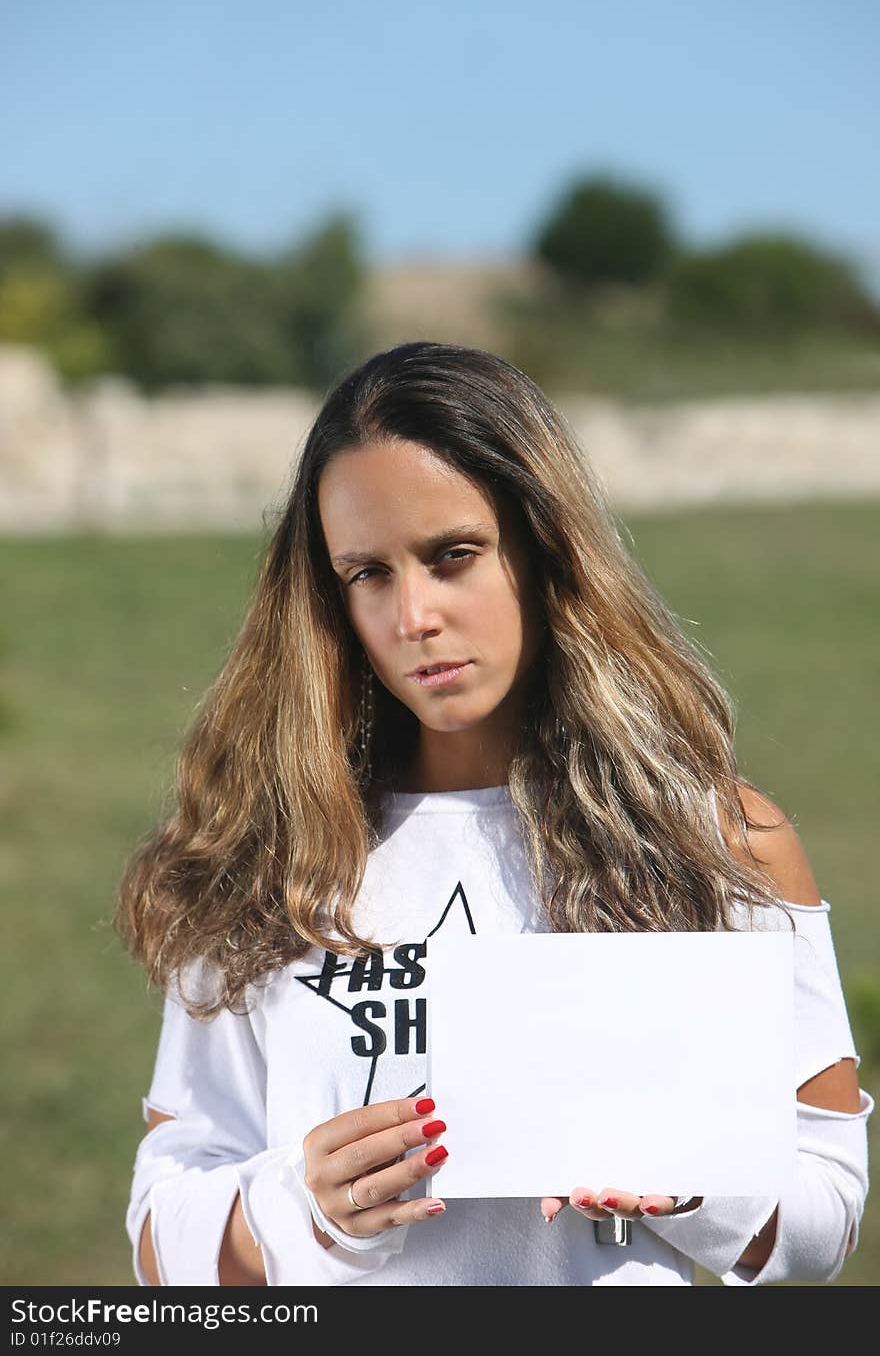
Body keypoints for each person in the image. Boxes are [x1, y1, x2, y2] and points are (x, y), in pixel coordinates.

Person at [117, 341, 872, 1287]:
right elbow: (160, 1234)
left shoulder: (715, 840)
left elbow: (828, 1210)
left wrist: (691, 1185)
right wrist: (306, 1211)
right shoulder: (265, 855)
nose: (414, 616)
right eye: (368, 574)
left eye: (454, 556)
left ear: (547, 550)